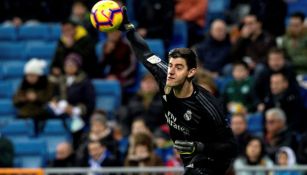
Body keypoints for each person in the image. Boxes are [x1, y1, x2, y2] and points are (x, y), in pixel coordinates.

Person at [119, 7, 237, 174]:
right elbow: (144, 53)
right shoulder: (165, 76)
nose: (171, 71)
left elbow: (230, 147)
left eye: (179, 67)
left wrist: (199, 146)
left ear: (191, 72)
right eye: (171, 65)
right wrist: (128, 28)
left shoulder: (207, 104)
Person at [13, 58, 54, 135]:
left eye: (33, 75)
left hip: (41, 114)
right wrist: (23, 99)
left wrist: (36, 98)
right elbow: (15, 100)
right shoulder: (23, 84)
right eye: (28, 75)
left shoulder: (46, 83)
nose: (30, 78)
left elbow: (50, 98)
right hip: (24, 114)